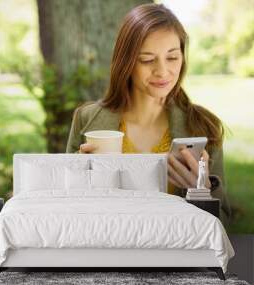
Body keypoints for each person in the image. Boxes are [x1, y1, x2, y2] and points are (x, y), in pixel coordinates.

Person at [65, 3, 231, 225]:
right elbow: (64, 207)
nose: (162, 71)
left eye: (172, 57)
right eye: (147, 59)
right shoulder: (86, 119)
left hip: (174, 254)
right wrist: (78, 175)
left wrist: (202, 193)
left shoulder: (204, 126)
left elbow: (224, 225)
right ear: (126, 62)